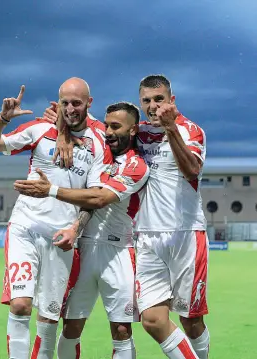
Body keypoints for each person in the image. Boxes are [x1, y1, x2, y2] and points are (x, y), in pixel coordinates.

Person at [44, 74, 210, 359]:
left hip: (185, 235)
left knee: (190, 320)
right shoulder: (140, 131)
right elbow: (104, 127)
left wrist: (171, 129)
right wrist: (61, 122)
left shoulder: (190, 130)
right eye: (147, 100)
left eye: (159, 99)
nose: (153, 106)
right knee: (152, 320)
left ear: (172, 100)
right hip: (145, 238)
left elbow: (192, 170)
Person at [0, 78, 109, 359]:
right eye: (65, 103)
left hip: (62, 237)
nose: (70, 108)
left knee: (49, 319)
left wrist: (76, 228)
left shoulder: (98, 142)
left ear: (89, 102)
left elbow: (94, 196)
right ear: (57, 102)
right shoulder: (39, 128)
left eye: (77, 102)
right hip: (25, 227)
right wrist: (2, 119)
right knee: (21, 306)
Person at [14, 102, 150, 359]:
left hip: (118, 251)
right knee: (71, 327)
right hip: (82, 249)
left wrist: (51, 190)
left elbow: (97, 199)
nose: (108, 131)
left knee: (122, 330)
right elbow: (78, 119)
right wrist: (62, 124)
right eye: (107, 125)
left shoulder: (137, 165)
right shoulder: (95, 150)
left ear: (133, 131)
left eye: (116, 126)